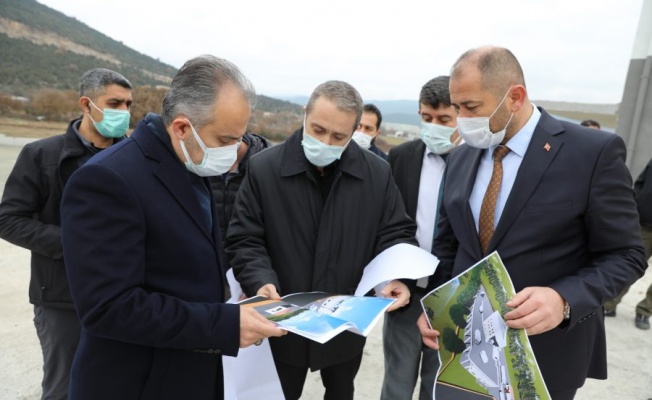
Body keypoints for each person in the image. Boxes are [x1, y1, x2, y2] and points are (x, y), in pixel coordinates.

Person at [417, 46, 647, 400]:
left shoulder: (591, 153)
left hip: (545, 358)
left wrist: (563, 299)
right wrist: (436, 307)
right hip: (464, 353)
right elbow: (451, 245)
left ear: (515, 97)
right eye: (457, 106)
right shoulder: (462, 157)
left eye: (471, 108)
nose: (461, 119)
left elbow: (626, 254)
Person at [59, 55, 285, 400]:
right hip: (137, 382)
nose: (234, 152)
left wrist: (238, 297)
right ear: (181, 127)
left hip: (186, 373)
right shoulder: (108, 179)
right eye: (225, 140)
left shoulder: (189, 163)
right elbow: (109, 308)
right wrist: (224, 324)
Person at [225, 80, 417, 400]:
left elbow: (395, 233)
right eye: (317, 129)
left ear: (356, 130)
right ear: (305, 114)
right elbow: (245, 238)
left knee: (341, 391)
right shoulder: (265, 168)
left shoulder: (376, 173)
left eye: (339, 136)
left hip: (344, 323)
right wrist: (261, 281)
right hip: (284, 320)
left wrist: (392, 277)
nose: (326, 141)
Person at [0, 68, 133, 400]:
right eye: (114, 103)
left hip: (125, 295)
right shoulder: (41, 155)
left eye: (129, 104)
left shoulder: (134, 158)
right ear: (86, 104)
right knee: (65, 388)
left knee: (117, 384)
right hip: (62, 299)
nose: (124, 113)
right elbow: (8, 219)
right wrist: (75, 245)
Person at [381, 75, 461, 400]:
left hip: (453, 297)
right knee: (396, 383)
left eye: (444, 120)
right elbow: (388, 221)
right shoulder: (401, 158)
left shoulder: (478, 161)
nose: (434, 126)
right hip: (407, 294)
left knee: (437, 385)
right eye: (426, 118)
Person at [603, 156, 652, 330]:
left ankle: (645, 311)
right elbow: (640, 184)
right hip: (645, 223)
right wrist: (637, 207)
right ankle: (609, 304)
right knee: (629, 264)